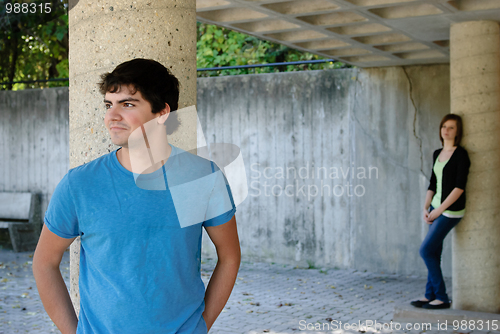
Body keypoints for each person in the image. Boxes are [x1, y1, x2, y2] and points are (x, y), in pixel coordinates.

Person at [32, 58, 241, 333]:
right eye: (109, 104)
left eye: (128, 104)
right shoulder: (80, 184)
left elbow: (230, 256)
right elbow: (44, 262)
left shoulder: (203, 178)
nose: (112, 116)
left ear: (162, 113)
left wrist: (201, 325)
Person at [411, 113, 470, 310]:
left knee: (426, 250)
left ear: (457, 131)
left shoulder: (461, 154)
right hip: (436, 209)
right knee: (434, 251)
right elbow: (433, 183)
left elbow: (459, 187)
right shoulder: (437, 153)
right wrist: (426, 207)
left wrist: (439, 210)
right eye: (444, 126)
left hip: (451, 211)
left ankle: (442, 297)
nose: (446, 130)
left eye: (451, 127)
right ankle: (430, 295)